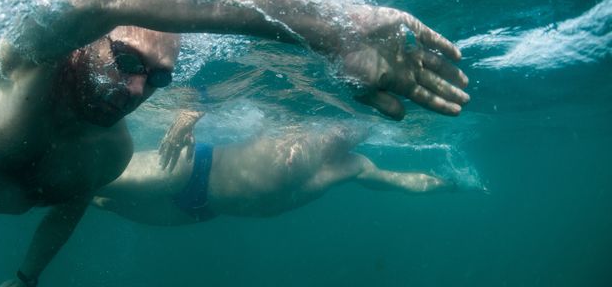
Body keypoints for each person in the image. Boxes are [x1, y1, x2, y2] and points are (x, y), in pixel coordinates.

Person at [0, 0, 469, 286]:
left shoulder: (111, 151)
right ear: (86, 40)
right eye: (126, 60)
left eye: (158, 79)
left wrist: (26, 277)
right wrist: (336, 32)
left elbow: (67, 208)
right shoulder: (18, 72)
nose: (136, 91)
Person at [94, 110, 456, 226]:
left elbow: (398, 181)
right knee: (86, 182)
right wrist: (188, 115)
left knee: (94, 200)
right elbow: (217, 87)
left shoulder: (354, 165)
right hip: (189, 168)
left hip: (201, 212)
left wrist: (452, 184)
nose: (352, 130)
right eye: (347, 122)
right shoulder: (289, 118)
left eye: (362, 127)